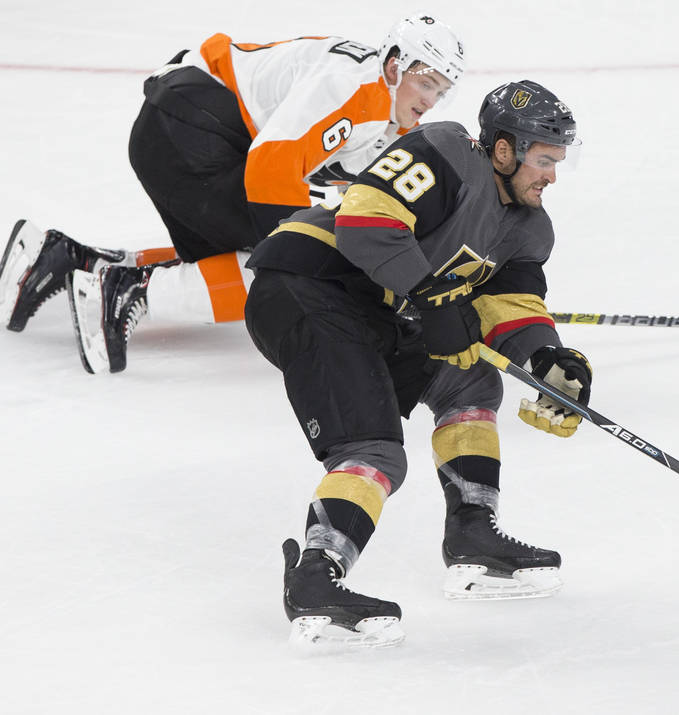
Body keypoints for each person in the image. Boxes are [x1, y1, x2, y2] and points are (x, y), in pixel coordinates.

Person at [243, 79, 592, 649]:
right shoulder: (449, 150)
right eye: (545, 160)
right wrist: (432, 298)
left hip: (375, 311)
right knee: (373, 450)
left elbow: (512, 305)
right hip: (308, 284)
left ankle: (473, 533)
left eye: (559, 161)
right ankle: (315, 578)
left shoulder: (528, 228)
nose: (552, 175)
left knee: (471, 383)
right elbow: (366, 219)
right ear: (505, 150)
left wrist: (550, 358)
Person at [0, 13, 465, 373]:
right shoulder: (355, 88)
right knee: (283, 264)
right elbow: (272, 168)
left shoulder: (383, 112)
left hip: (186, 126)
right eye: (425, 82)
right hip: (192, 130)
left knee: (233, 259)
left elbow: (367, 204)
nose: (429, 100)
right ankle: (122, 293)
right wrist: (300, 258)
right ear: (394, 64)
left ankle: (67, 260)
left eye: (440, 91)